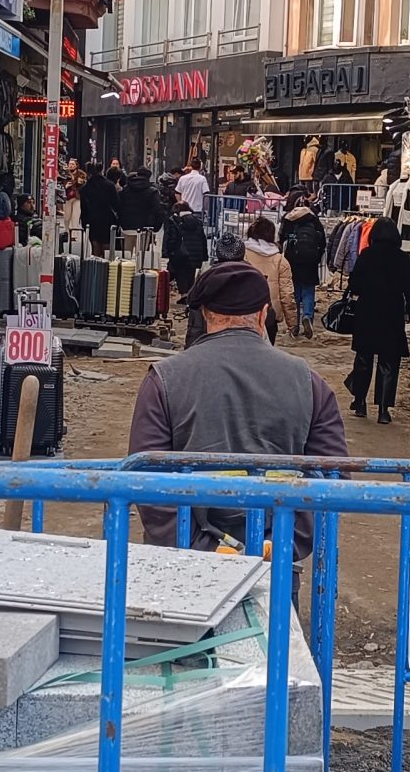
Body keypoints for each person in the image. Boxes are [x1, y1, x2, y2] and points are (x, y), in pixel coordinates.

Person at [127, 261, 347, 546]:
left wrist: (203, 548)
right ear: (262, 315)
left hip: (185, 570)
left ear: (206, 315)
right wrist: (280, 545)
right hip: (275, 570)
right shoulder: (309, 383)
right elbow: (333, 478)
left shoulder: (164, 380)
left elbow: (146, 479)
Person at [344, 218, 410, 423]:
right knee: (388, 362)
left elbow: (355, 284)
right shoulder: (401, 258)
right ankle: (383, 410)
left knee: (364, 359)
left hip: (367, 312)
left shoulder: (367, 255)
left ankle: (359, 402)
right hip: (392, 314)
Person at [241, 216, 299, 341]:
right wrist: (292, 322)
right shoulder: (280, 260)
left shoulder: (242, 254)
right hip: (270, 315)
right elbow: (287, 294)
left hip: (244, 311)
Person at [282, 201, 328, 339]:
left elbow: (282, 239)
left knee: (295, 293)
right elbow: (322, 243)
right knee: (308, 291)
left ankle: (294, 324)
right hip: (310, 263)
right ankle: (307, 315)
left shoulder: (290, 220)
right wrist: (317, 259)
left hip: (293, 262)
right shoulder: (314, 222)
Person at [162, 194, 208, 322]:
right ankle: (188, 295)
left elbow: (170, 238)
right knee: (190, 274)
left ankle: (183, 295)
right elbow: (202, 239)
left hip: (181, 254)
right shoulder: (197, 222)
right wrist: (204, 255)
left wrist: (166, 252)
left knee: (178, 272)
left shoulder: (175, 221)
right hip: (195, 254)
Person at [80, 164, 117, 255]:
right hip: (107, 220)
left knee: (95, 245)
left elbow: (83, 208)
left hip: (91, 220)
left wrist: (84, 223)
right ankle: (106, 266)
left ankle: (95, 266)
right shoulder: (110, 185)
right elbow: (116, 204)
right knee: (106, 246)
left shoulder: (85, 188)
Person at [116, 167, 165, 237]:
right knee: (143, 247)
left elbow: (118, 206)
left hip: (126, 226)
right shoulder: (152, 192)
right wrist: (155, 227)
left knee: (127, 247)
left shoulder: (125, 190)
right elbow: (159, 211)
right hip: (146, 227)